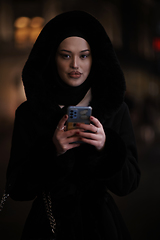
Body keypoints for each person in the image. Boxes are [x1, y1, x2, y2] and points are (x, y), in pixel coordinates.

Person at [6, 10, 141, 240]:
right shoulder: (30, 113)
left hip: (102, 226)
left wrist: (106, 147)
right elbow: (17, 188)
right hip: (48, 226)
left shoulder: (115, 110)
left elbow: (129, 183)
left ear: (94, 57)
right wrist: (53, 151)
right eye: (66, 55)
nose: (75, 65)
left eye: (84, 55)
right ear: (53, 57)